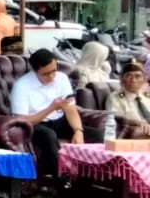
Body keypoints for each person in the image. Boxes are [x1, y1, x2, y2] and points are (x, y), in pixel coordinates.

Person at [13, 48, 102, 187]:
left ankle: (94, 178)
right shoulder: (22, 86)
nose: (52, 76)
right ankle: (61, 181)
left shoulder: (62, 78)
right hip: (35, 124)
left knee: (97, 134)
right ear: (35, 71)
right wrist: (51, 108)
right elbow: (22, 120)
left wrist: (78, 130)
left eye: (54, 70)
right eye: (46, 74)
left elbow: (70, 108)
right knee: (49, 135)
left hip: (59, 120)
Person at [109, 60, 150, 139]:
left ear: (144, 79)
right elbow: (115, 117)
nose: (133, 80)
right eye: (128, 76)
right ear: (122, 79)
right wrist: (137, 122)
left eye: (137, 76)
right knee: (146, 132)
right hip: (135, 129)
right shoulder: (116, 97)